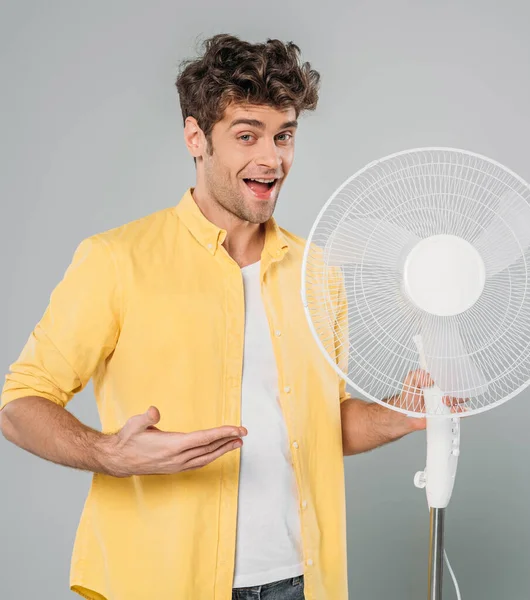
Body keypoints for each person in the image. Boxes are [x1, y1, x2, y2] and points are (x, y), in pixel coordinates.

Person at [0, 34, 455, 600]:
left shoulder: (317, 273)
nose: (272, 158)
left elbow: (320, 424)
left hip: (301, 581)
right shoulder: (116, 260)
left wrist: (400, 416)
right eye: (247, 136)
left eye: (284, 135)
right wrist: (107, 453)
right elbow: (19, 404)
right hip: (162, 583)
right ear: (196, 137)